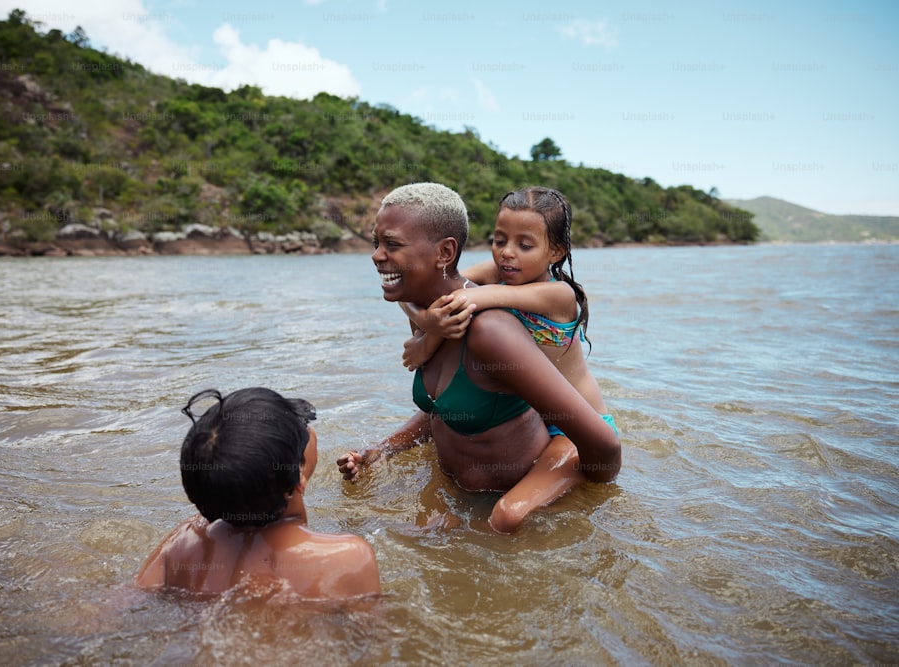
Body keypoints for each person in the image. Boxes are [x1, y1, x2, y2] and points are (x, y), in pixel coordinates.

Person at [337, 183, 621, 533]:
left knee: (508, 516)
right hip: (532, 407)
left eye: (525, 244)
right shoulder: (499, 273)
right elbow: (423, 285)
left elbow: (467, 297)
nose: (507, 253)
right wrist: (429, 325)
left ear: (556, 252)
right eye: (500, 240)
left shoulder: (557, 295)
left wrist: (431, 335)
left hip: (573, 424)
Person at [136, 386, 381, 599]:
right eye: (299, 428)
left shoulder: (184, 542)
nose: (307, 428)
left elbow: (132, 599)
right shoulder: (346, 557)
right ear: (297, 476)